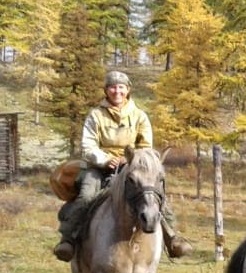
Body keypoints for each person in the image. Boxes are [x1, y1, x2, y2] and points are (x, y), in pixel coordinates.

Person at [52, 70, 193, 261]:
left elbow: (146, 146)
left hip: (133, 166)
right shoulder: (95, 115)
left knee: (152, 193)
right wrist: (105, 159)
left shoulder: (139, 116)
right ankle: (68, 239)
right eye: (112, 87)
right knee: (86, 194)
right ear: (106, 90)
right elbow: (88, 146)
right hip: (98, 167)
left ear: (127, 90)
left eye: (121, 87)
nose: (116, 91)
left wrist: (131, 159)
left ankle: (172, 238)